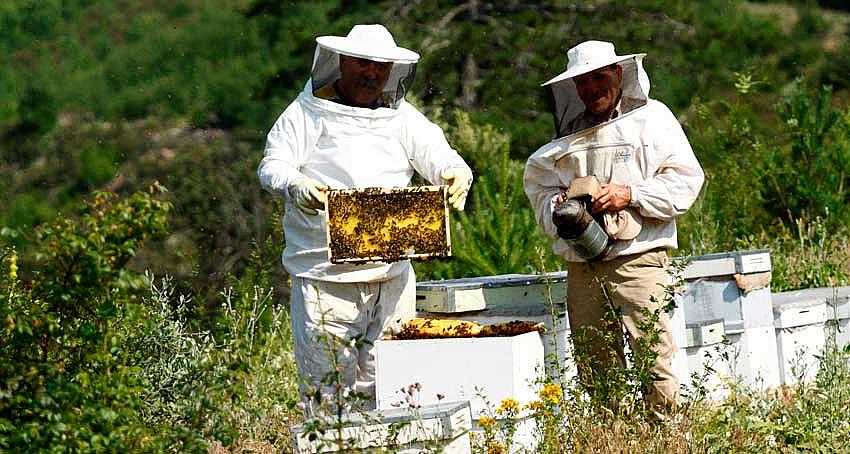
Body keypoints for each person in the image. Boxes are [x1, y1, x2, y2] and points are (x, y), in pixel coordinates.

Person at [257, 24, 473, 411]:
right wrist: (295, 184)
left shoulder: (401, 116)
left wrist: (455, 172)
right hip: (327, 279)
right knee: (329, 396)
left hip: (392, 277)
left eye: (381, 67)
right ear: (340, 61)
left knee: (396, 389)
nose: (372, 74)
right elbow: (273, 165)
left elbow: (438, 153)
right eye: (363, 63)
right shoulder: (306, 113)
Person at [523, 40, 704, 417]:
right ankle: (612, 435)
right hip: (582, 263)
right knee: (594, 362)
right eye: (583, 82)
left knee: (653, 355)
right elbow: (538, 182)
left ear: (618, 73)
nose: (591, 88)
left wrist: (630, 194)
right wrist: (557, 204)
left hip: (638, 259)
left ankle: (665, 436)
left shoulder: (653, 119)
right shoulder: (569, 134)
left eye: (598, 77)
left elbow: (686, 181)